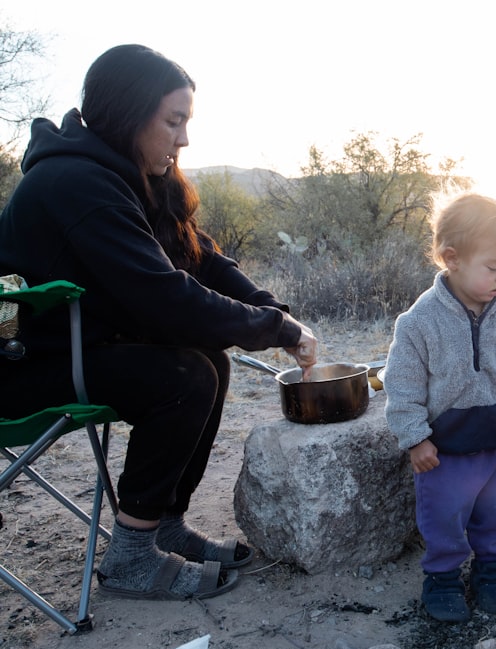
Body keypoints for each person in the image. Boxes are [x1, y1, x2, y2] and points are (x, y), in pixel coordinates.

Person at [0, 44, 318, 600]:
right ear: (128, 113)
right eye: (174, 121)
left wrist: (276, 314)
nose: (184, 139)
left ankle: (163, 525)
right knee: (184, 376)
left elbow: (203, 260)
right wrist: (275, 331)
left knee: (209, 363)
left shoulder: (131, 175)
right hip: (30, 369)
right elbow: (166, 298)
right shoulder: (76, 183)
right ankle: (128, 559)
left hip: (88, 351)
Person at [383, 191, 496, 622]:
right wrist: (414, 438)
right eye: (493, 267)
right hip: (441, 449)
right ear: (452, 258)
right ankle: (442, 576)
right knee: (443, 514)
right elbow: (401, 386)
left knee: (494, 512)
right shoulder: (418, 322)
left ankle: (489, 569)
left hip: (494, 440)